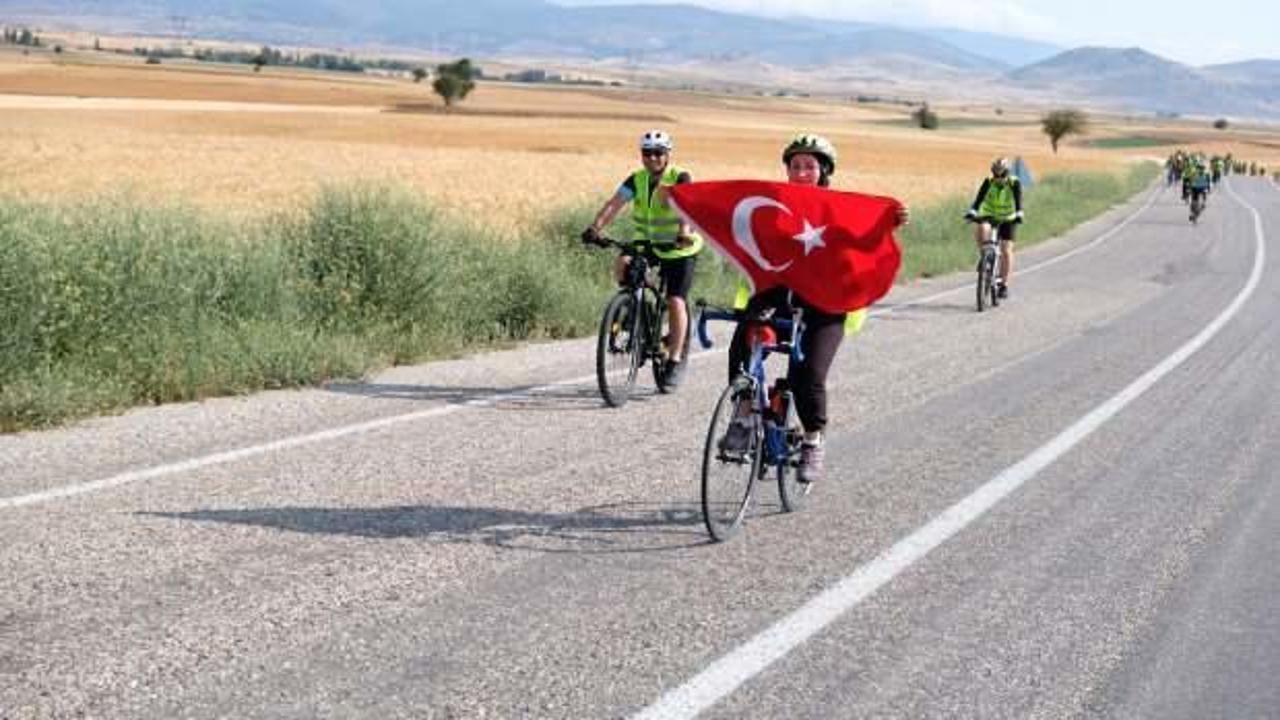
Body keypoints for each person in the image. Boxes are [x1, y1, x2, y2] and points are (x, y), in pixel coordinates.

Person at [720, 133, 907, 484]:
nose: (802, 172)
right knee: (743, 343)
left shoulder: (838, 207)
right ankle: (744, 415)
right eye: (796, 166)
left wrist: (889, 222)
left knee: (809, 377)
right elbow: (741, 228)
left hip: (827, 302)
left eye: (810, 166)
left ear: (824, 171)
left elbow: (862, 240)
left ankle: (812, 439)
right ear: (787, 170)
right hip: (778, 295)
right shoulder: (773, 204)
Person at [582, 130, 703, 386]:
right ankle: (635, 309)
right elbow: (614, 204)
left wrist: (683, 233)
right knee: (623, 264)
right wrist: (595, 228)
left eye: (658, 153)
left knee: (675, 300)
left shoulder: (679, 177)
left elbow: (686, 209)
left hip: (679, 247)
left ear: (668, 154)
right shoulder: (636, 180)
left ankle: (674, 359)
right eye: (647, 153)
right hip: (647, 243)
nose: (652, 158)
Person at [965, 157, 1024, 299]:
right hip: (990, 215)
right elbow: (979, 199)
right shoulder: (988, 182)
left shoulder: (1014, 182)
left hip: (1008, 218)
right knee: (981, 228)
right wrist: (972, 212)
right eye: (996, 175)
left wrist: (1019, 214)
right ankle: (984, 256)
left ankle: (1004, 285)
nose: (998, 178)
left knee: (1006, 250)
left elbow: (1018, 200)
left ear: (1007, 173)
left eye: (1002, 175)